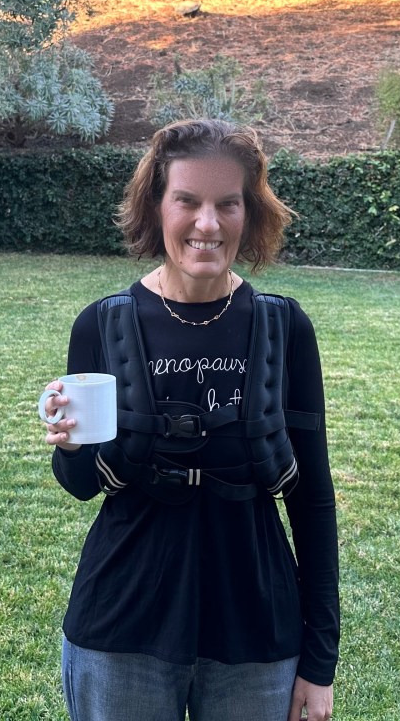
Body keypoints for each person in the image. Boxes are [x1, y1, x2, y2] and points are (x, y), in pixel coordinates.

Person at [41, 118, 339, 721]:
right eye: (187, 201)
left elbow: (313, 498)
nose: (208, 224)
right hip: (122, 625)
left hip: (257, 629)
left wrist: (319, 660)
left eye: (228, 203)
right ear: (156, 207)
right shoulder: (102, 324)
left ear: (250, 213)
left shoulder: (285, 327)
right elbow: (81, 485)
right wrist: (68, 446)